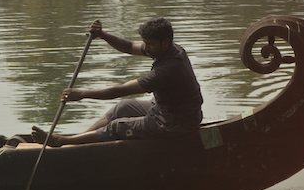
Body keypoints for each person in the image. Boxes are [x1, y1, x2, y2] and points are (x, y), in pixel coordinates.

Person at [31, 18, 202, 146]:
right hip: (166, 109)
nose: (146, 48)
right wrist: (103, 35)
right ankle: (77, 140)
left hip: (176, 122)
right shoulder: (167, 48)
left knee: (117, 127)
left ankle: (62, 141)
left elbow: (119, 90)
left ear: (165, 42)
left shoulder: (169, 68)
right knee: (124, 107)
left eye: (150, 44)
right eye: (145, 44)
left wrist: (82, 94)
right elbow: (128, 47)